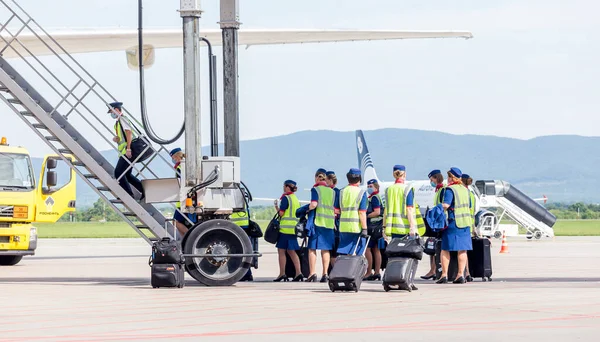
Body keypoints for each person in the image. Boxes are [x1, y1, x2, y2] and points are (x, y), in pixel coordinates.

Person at [436, 167, 473, 284]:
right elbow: (470, 205)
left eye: (449, 177)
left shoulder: (450, 190)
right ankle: (460, 275)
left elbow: (446, 205)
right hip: (465, 223)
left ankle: (444, 275)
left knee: (445, 249)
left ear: (452, 177)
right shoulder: (466, 190)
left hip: (453, 222)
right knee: (462, 250)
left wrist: (436, 208)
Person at [108, 101, 144, 201]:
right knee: (127, 174)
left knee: (118, 172)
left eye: (111, 111)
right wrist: (117, 139)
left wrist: (128, 148)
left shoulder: (123, 119)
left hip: (127, 151)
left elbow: (129, 133)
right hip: (124, 151)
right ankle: (143, 190)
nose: (111, 114)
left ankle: (128, 194)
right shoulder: (118, 122)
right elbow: (123, 136)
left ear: (116, 110)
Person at [307, 168, 336, 283]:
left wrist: (307, 209)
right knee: (326, 249)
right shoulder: (332, 192)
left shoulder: (315, 190)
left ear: (316, 177)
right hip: (329, 223)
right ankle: (325, 274)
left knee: (312, 249)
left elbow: (314, 204)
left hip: (318, 222)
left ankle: (312, 273)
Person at [273, 180, 304, 282]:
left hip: (285, 229)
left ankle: (282, 273)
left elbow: (281, 214)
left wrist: (276, 207)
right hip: (293, 228)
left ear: (287, 187)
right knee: (292, 251)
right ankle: (298, 272)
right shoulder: (295, 199)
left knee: (281, 251)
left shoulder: (286, 198)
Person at [334, 168, 369, 259]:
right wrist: (364, 228)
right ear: (359, 179)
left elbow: (336, 210)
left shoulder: (341, 192)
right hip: (356, 227)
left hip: (343, 226)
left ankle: (344, 271)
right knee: (357, 252)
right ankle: (354, 272)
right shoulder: (361, 193)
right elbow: (362, 213)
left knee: (344, 252)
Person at [382, 165, 418, 240]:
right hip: (405, 229)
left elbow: (386, 210)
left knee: (395, 250)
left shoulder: (388, 190)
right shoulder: (407, 189)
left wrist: (384, 227)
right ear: (404, 174)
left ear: (393, 174)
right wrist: (412, 227)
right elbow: (409, 209)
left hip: (392, 229)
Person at [421, 169, 444, 280]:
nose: (431, 182)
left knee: (435, 248)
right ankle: (433, 270)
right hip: (436, 222)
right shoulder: (438, 190)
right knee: (432, 248)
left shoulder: (442, 190)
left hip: (438, 223)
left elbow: (441, 207)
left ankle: (434, 270)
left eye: (431, 179)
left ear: (436, 178)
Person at [169, 147, 192, 238]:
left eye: (174, 158)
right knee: (179, 222)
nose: (173, 160)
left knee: (176, 221)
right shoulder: (186, 164)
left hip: (183, 200)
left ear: (177, 156)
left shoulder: (180, 167)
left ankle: (190, 237)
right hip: (185, 199)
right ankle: (186, 241)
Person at [364, 178, 383, 281]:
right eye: (368, 187)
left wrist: (365, 216)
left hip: (372, 227)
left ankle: (368, 272)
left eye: (370, 186)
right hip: (378, 227)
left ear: (376, 187)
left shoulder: (374, 198)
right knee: (376, 250)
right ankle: (377, 272)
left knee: (367, 250)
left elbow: (377, 212)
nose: (369, 188)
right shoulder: (377, 197)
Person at [326, 170, 341, 265]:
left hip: (334, 224)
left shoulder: (332, 192)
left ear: (330, 180)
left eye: (326, 180)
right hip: (335, 223)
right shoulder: (339, 192)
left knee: (333, 251)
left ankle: (335, 271)